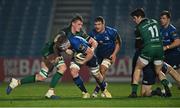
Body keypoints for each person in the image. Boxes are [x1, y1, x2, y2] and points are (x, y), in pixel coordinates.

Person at [6, 32, 71, 99]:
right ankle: (50, 92)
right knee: (62, 68)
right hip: (50, 54)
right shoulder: (50, 48)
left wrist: (65, 50)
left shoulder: (63, 39)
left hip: (51, 53)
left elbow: (60, 38)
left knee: (41, 77)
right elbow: (53, 51)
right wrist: (57, 57)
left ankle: (16, 82)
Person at [61, 15, 112, 98]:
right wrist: (66, 50)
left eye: (81, 25)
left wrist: (91, 50)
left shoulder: (81, 34)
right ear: (73, 24)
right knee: (73, 72)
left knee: (97, 75)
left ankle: (104, 89)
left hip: (89, 54)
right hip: (77, 54)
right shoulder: (64, 33)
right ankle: (85, 93)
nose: (81, 26)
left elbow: (94, 42)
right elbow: (60, 44)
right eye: (79, 24)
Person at [129, 8, 171, 98]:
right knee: (158, 71)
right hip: (159, 49)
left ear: (139, 17)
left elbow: (138, 45)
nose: (133, 20)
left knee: (138, 68)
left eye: (134, 18)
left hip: (149, 49)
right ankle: (167, 87)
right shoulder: (155, 21)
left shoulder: (138, 28)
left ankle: (133, 92)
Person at [88, 16, 121, 97]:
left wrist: (114, 54)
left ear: (103, 24)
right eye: (95, 24)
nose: (97, 26)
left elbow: (118, 43)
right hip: (99, 55)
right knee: (99, 73)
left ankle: (97, 90)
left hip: (109, 55)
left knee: (102, 69)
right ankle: (104, 85)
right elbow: (88, 44)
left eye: (99, 24)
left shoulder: (112, 32)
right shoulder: (92, 33)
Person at [160, 11, 180, 88]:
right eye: (161, 18)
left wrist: (166, 47)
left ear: (168, 19)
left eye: (164, 18)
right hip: (166, 55)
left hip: (174, 55)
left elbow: (178, 42)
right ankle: (167, 86)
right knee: (160, 70)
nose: (161, 20)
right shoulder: (160, 30)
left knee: (161, 70)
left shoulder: (172, 29)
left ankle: (167, 86)